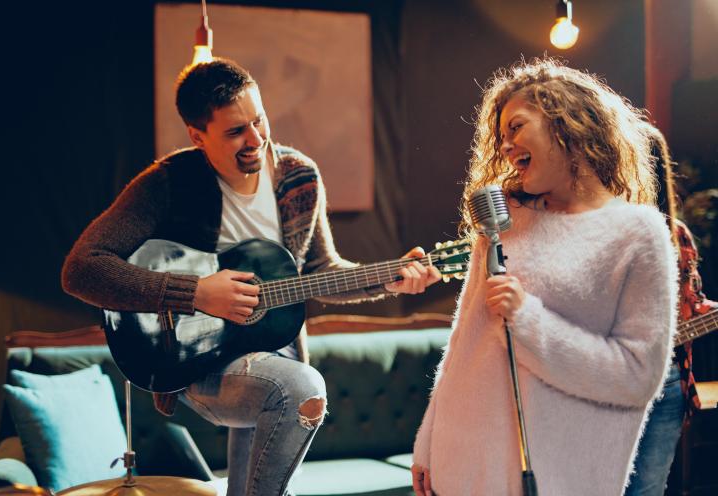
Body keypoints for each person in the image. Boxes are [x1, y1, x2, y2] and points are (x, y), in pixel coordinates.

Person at [61, 57, 440, 496]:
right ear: (197, 136)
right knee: (301, 388)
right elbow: (81, 268)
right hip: (195, 363)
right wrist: (196, 293)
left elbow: (320, 271)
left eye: (259, 121)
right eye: (236, 131)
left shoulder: (298, 177)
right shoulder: (169, 183)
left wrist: (387, 279)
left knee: (277, 417)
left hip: (274, 354)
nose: (256, 139)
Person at [411, 58, 678, 496]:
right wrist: (428, 441)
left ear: (565, 120)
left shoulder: (639, 233)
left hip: (562, 476)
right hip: (461, 460)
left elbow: (638, 375)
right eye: (500, 137)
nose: (506, 146)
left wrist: (528, 321)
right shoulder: (505, 219)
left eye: (516, 126)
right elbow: (465, 340)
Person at [624, 125, 718, 495]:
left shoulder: (675, 232)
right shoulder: (598, 230)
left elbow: (690, 305)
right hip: (612, 378)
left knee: (648, 490)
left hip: (667, 384)